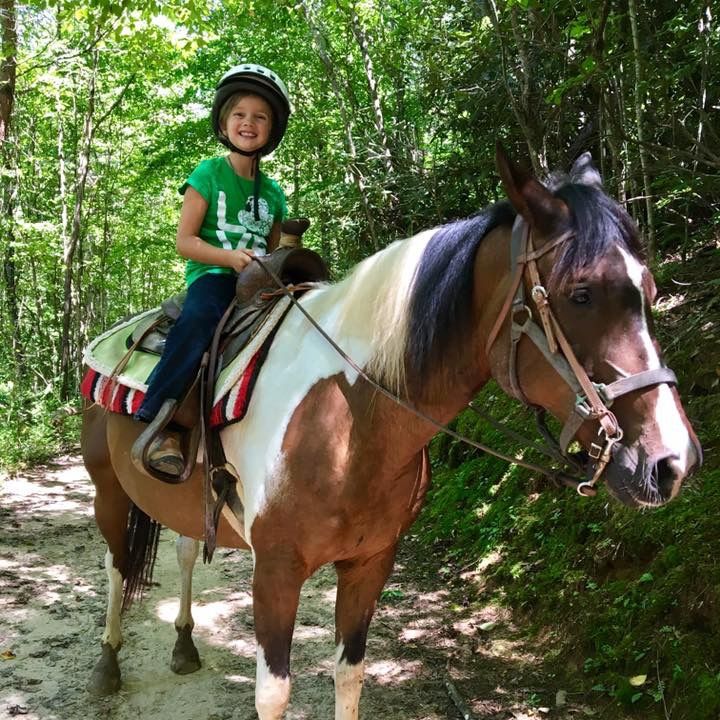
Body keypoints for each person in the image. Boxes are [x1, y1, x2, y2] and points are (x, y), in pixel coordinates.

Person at [134, 63, 291, 477]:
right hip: (215, 278)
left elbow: (274, 250)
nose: (249, 123)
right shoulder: (208, 173)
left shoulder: (274, 193)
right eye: (240, 114)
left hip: (260, 285)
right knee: (201, 317)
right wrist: (229, 259)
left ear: (271, 129)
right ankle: (163, 421)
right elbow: (184, 241)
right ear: (224, 121)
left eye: (260, 117)